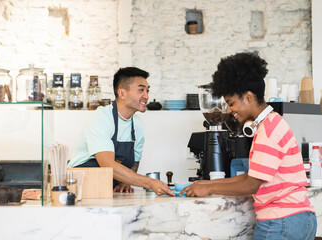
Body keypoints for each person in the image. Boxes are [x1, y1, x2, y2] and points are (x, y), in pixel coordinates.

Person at [181, 52, 317, 239]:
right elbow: (253, 177)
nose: (230, 110)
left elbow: (251, 184)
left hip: (280, 221)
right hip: (299, 218)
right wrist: (207, 183)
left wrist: (209, 188)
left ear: (248, 97)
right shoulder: (272, 123)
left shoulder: (268, 130)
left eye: (231, 103)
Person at [68, 67, 173, 196]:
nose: (146, 96)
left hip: (110, 190)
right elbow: (107, 165)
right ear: (122, 93)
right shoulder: (101, 118)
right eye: (141, 90)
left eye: (147, 90)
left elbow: (135, 161)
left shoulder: (137, 124)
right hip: (81, 187)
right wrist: (150, 183)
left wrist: (126, 182)